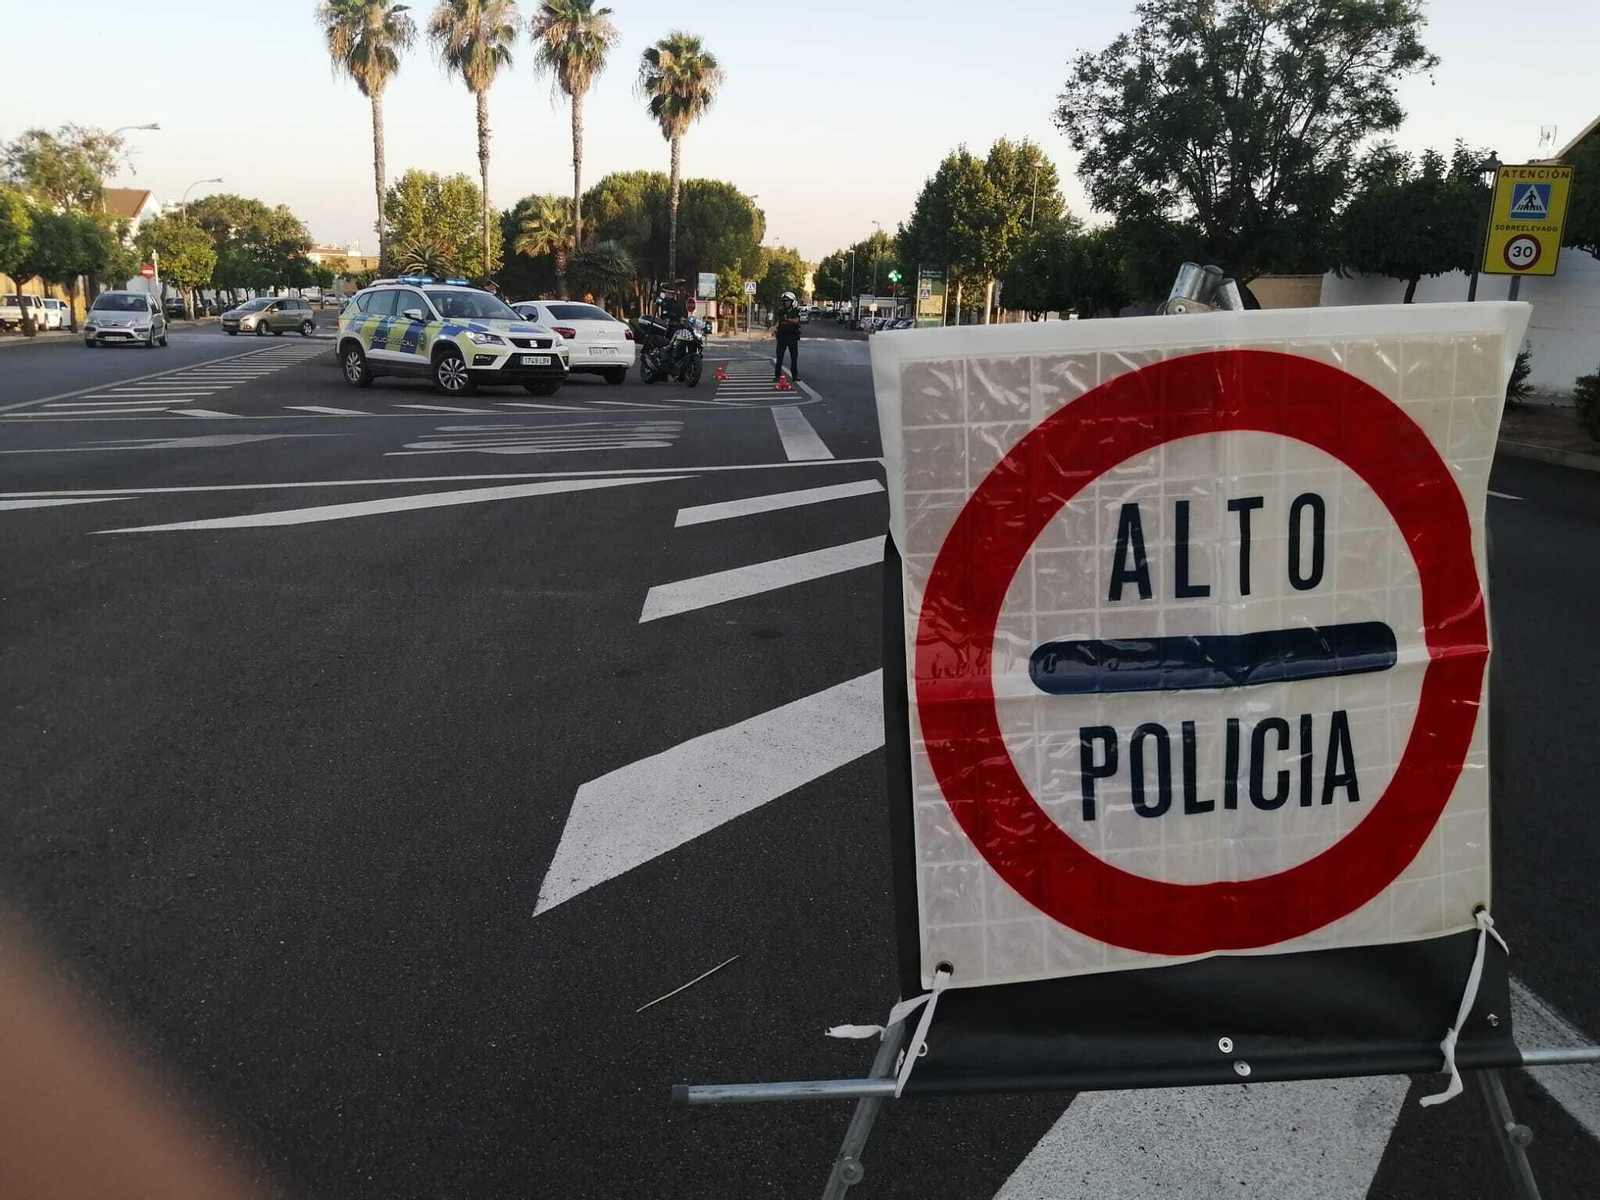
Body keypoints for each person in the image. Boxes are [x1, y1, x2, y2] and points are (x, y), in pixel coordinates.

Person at [773, 290, 801, 385]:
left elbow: (796, 321)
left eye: (788, 301)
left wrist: (787, 320)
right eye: (785, 301)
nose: (786, 303)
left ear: (792, 302)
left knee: (794, 357)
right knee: (779, 357)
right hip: (782, 337)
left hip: (792, 337)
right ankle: (777, 376)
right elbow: (778, 322)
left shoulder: (796, 311)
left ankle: (795, 376)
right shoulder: (781, 311)